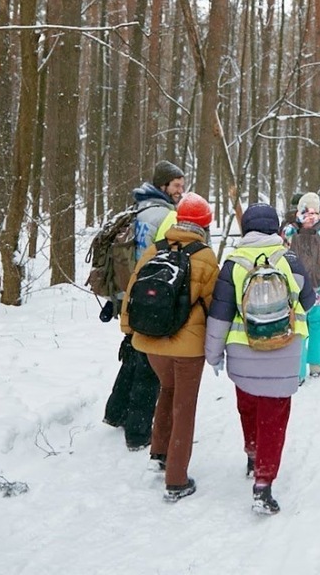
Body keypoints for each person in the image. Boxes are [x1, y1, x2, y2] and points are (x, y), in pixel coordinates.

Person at [205, 204, 315, 515]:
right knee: (274, 419)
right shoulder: (290, 259)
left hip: (243, 354)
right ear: (277, 229)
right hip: (283, 353)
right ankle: (264, 484)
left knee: (249, 408)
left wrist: (213, 355)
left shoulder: (233, 264)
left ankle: (252, 455)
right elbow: (309, 300)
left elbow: (220, 315)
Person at [123, 192, 219, 502]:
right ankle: (176, 479)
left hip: (150, 342)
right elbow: (215, 305)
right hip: (187, 349)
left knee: (167, 391)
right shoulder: (204, 256)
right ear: (205, 225)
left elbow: (132, 291)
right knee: (184, 407)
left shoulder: (155, 249)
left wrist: (128, 329)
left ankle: (158, 454)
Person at [103, 160, 186, 449]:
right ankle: (138, 433)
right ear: (163, 185)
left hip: (129, 293)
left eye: (182, 185)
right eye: (176, 185)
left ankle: (116, 412)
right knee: (149, 365)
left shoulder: (139, 208)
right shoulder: (166, 216)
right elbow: (172, 256)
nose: (180, 190)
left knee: (134, 353)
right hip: (149, 297)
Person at [282, 192, 320, 380]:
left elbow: (280, 255)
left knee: (298, 328)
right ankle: (315, 365)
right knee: (317, 324)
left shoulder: (290, 230)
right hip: (319, 287)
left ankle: (298, 373)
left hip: (295, 287)